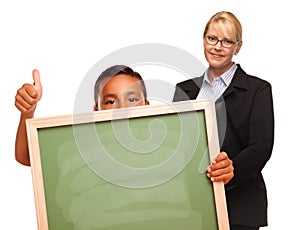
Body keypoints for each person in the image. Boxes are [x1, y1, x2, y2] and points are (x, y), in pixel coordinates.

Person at [173, 11, 274, 230]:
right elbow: (177, 144)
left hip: (239, 207)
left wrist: (232, 170)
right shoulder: (184, 90)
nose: (218, 46)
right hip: (191, 206)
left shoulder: (258, 90)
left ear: (238, 47)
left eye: (227, 41)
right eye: (212, 38)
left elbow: (262, 146)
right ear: (203, 40)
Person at [14, 65, 149, 166]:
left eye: (132, 100)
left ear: (146, 105)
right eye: (111, 102)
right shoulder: (86, 148)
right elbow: (26, 157)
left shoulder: (163, 142)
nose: (122, 109)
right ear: (97, 111)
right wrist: (28, 112)